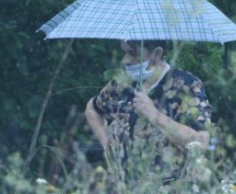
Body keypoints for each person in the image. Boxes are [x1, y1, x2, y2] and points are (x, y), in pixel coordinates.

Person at [84, 40, 212, 182]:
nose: (125, 60)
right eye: (124, 53)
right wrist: (107, 146)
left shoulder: (186, 86)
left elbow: (200, 141)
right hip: (122, 192)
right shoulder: (122, 84)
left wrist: (154, 114)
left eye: (133, 54)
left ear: (156, 54)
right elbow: (92, 109)